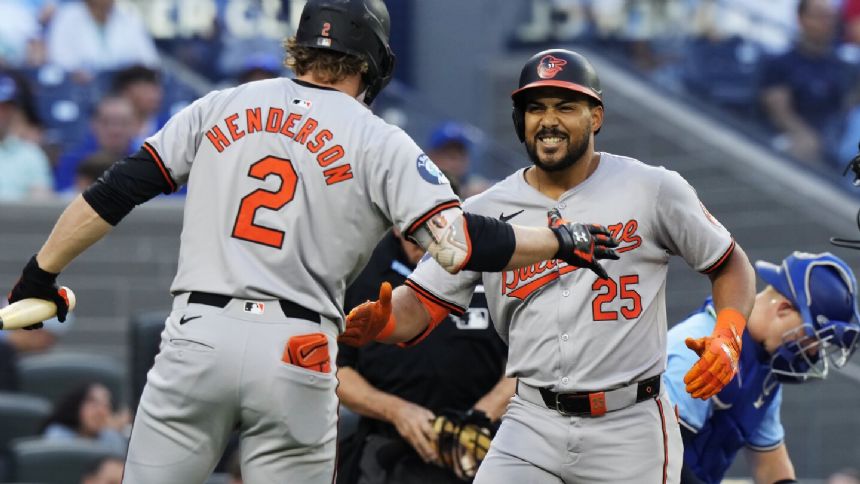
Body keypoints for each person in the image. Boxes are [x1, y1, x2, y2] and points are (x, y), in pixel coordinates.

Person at [2, 2, 616, 482]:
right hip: (296, 348)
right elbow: (456, 246)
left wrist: (38, 276)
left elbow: (114, 192)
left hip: (196, 336)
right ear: (371, 61)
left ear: (301, 47)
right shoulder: (379, 139)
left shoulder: (222, 104)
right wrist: (559, 238)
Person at [342, 48, 757, 483]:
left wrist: (727, 335)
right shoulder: (486, 209)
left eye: (566, 106)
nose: (549, 120)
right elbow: (422, 306)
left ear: (596, 117)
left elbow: (731, 265)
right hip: (530, 421)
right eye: (535, 108)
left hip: (628, 424)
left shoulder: (653, 188)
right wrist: (384, 324)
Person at [665, 252, 860, 484]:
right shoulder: (701, 344)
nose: (813, 352)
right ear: (783, 309)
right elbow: (659, 453)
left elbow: (772, 470)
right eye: (812, 338)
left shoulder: (763, 371)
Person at [336, 227, 513, 483]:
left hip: (477, 446)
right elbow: (336, 368)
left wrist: (479, 416)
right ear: (395, 223)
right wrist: (396, 411)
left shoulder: (488, 261)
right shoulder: (359, 265)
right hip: (386, 448)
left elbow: (531, 361)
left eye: (433, 227)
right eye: (413, 227)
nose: (422, 238)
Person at [760, 0, 853, 166]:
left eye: (831, 18)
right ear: (802, 19)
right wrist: (805, 135)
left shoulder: (842, 68)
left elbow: (845, 109)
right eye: (820, 17)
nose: (827, 23)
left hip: (833, 143)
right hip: (788, 138)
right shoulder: (781, 62)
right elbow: (779, 110)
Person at [45, 0, 159, 78]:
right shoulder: (66, 17)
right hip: (82, 88)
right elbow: (59, 61)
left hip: (125, 87)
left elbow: (149, 61)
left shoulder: (130, 17)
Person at [54, 95, 138, 191]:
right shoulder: (72, 161)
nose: (115, 130)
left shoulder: (147, 162)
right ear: (93, 124)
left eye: (123, 123)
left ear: (135, 125)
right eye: (106, 122)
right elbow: (61, 198)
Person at [0, 72, 53, 201]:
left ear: (14, 112)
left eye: (5, 108)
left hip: (16, 220)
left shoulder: (32, 155)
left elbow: (41, 203)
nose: (2, 113)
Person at [41, 382, 129, 455]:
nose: (101, 411)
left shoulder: (112, 439)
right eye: (93, 403)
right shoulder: (57, 435)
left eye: (106, 405)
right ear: (77, 405)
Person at [111, 65, 166, 144]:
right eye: (146, 90)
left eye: (155, 90)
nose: (154, 96)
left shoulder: (167, 127)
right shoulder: (110, 130)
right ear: (126, 92)